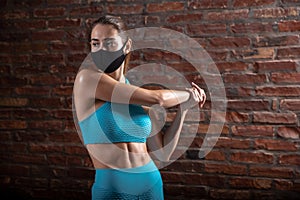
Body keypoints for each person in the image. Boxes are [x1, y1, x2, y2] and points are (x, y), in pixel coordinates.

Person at [73, 15, 206, 200]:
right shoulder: (87, 80)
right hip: (112, 192)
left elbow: (163, 152)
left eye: (110, 43)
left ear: (126, 46)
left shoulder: (134, 95)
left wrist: (184, 109)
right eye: (95, 44)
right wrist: (189, 94)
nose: (101, 50)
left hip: (151, 187)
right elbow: (157, 98)